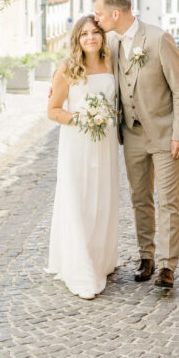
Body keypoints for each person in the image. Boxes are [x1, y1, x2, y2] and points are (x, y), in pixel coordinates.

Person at [93, 0, 179, 289]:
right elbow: (81, 58)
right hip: (131, 134)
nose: (96, 20)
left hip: (164, 134)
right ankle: (146, 258)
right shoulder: (110, 42)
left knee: (168, 200)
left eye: (99, 14)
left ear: (116, 14)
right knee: (140, 199)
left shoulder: (159, 39)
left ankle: (167, 266)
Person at [46, 15, 120, 299]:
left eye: (95, 32)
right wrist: (82, 119)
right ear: (76, 39)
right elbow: (53, 110)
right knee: (78, 199)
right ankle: (81, 267)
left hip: (105, 144)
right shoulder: (67, 68)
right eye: (84, 34)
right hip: (78, 142)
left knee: (102, 200)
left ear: (102, 36)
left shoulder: (111, 62)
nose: (90, 38)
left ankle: (100, 258)